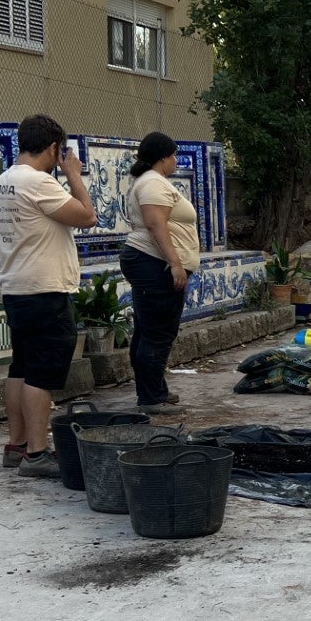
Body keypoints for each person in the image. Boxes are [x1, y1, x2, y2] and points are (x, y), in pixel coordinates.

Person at [0, 113, 96, 477]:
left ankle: (15, 445)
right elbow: (86, 217)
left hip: (16, 287)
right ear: (53, 148)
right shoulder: (38, 183)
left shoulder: (3, 181)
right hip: (45, 290)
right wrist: (74, 177)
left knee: (21, 367)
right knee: (41, 374)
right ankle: (37, 454)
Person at [119, 131, 199, 412]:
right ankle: (151, 398)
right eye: (174, 155)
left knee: (149, 329)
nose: (176, 160)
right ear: (163, 157)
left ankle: (154, 391)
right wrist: (175, 263)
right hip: (153, 262)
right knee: (158, 332)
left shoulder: (152, 182)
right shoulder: (153, 183)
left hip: (151, 261)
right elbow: (156, 225)